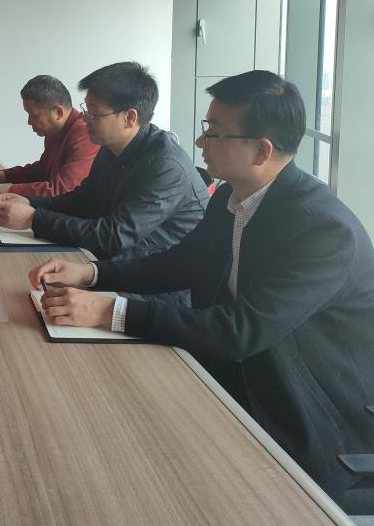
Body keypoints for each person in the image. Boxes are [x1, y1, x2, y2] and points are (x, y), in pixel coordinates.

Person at [30, 70, 374, 511]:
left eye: (214, 132)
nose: (199, 142)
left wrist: (107, 312)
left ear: (261, 150)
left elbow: (239, 331)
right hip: (235, 380)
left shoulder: (323, 231)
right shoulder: (232, 198)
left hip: (309, 422)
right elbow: (179, 264)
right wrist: (91, 275)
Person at [0, 61, 209, 260]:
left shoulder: (166, 166)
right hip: (122, 260)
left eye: (94, 113)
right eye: (86, 109)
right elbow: (83, 201)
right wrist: (29, 202)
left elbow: (113, 237)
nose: (84, 118)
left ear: (129, 118)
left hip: (160, 274)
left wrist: (34, 218)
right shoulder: (110, 148)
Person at [0, 75, 98, 197]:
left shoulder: (84, 134)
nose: (29, 122)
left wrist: (1, 189)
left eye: (34, 115)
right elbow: (40, 171)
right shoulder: (54, 132)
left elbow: (61, 190)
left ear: (58, 112)